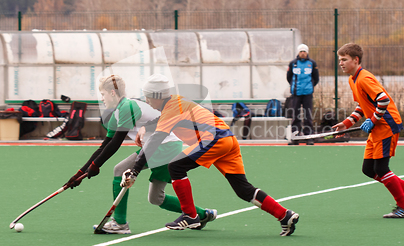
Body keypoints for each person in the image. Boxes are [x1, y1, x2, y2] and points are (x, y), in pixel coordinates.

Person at [121, 74, 299, 236]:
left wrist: (134, 171)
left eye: (148, 95)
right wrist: (145, 128)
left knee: (176, 166)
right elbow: (158, 123)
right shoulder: (174, 103)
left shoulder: (172, 107)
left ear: (157, 95)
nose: (146, 99)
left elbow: (154, 141)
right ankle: (284, 215)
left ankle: (190, 216)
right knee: (243, 190)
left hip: (213, 139)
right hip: (227, 139)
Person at [64, 75, 216, 234]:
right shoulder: (117, 113)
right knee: (156, 199)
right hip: (164, 147)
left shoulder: (127, 107)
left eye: (102, 94)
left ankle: (120, 223)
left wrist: (95, 166)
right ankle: (203, 214)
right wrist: (80, 173)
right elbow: (105, 146)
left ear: (112, 93)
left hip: (165, 146)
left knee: (120, 169)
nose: (101, 99)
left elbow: (115, 144)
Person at [332, 43, 404, 218]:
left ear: (356, 60)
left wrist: (372, 120)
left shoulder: (364, 78)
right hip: (377, 127)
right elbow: (362, 105)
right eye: (340, 60)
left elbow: (382, 100)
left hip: (386, 125)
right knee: (368, 169)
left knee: (381, 169)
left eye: (344, 60)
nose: (341, 63)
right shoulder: (352, 79)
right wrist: (347, 123)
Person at [286, 44, 319, 145]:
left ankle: (308, 137)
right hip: (296, 93)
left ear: (307, 52)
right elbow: (289, 77)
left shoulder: (312, 63)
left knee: (307, 115)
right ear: (298, 52)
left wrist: (310, 86)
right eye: (301, 51)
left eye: (304, 51)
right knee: (295, 116)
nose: (303, 53)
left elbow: (316, 78)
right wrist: (294, 86)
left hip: (307, 93)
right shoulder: (293, 63)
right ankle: (295, 137)